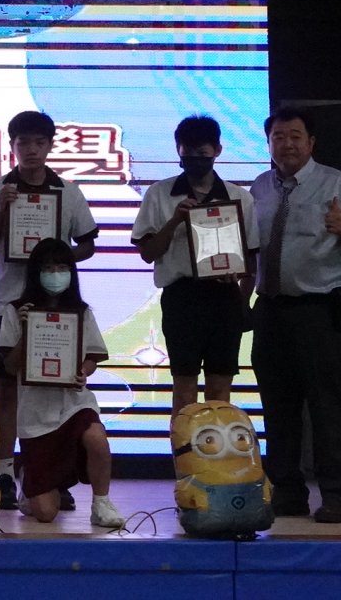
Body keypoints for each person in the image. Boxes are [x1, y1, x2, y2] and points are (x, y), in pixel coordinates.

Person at [0, 110, 98, 509]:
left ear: (51, 145)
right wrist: (3, 211)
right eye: (23, 142)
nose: (32, 150)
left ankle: (51, 475)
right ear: (12, 146)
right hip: (6, 303)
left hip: (57, 307)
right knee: (7, 391)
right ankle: (4, 473)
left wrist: (56, 261)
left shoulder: (68, 193)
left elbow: (87, 244)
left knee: (53, 392)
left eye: (39, 142)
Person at [248, 104, 341, 521]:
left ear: (311, 142)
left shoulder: (335, 183)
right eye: (278, 137)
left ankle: (335, 493)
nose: (286, 144)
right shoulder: (259, 187)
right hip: (269, 309)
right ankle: (287, 492)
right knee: (277, 405)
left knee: (327, 405)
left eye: (295, 136)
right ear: (269, 143)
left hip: (319, 310)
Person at [130, 115, 257, 415]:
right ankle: (183, 447)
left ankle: (217, 447)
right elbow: (148, 253)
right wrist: (175, 220)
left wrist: (241, 296)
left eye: (202, 152)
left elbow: (251, 261)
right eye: (188, 151)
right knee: (184, 389)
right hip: (181, 298)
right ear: (178, 150)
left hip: (224, 299)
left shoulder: (239, 197)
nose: (195, 159)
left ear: (217, 151)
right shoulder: (159, 193)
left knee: (220, 390)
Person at [0, 238, 121, 528]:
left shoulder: (82, 311)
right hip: (36, 415)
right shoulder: (15, 311)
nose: (56, 274)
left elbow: (93, 357)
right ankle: (30, 483)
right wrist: (27, 331)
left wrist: (83, 371)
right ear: (36, 272)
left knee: (96, 438)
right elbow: (10, 366)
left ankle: (101, 502)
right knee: (45, 513)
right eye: (48, 268)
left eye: (62, 267)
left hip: (74, 403)